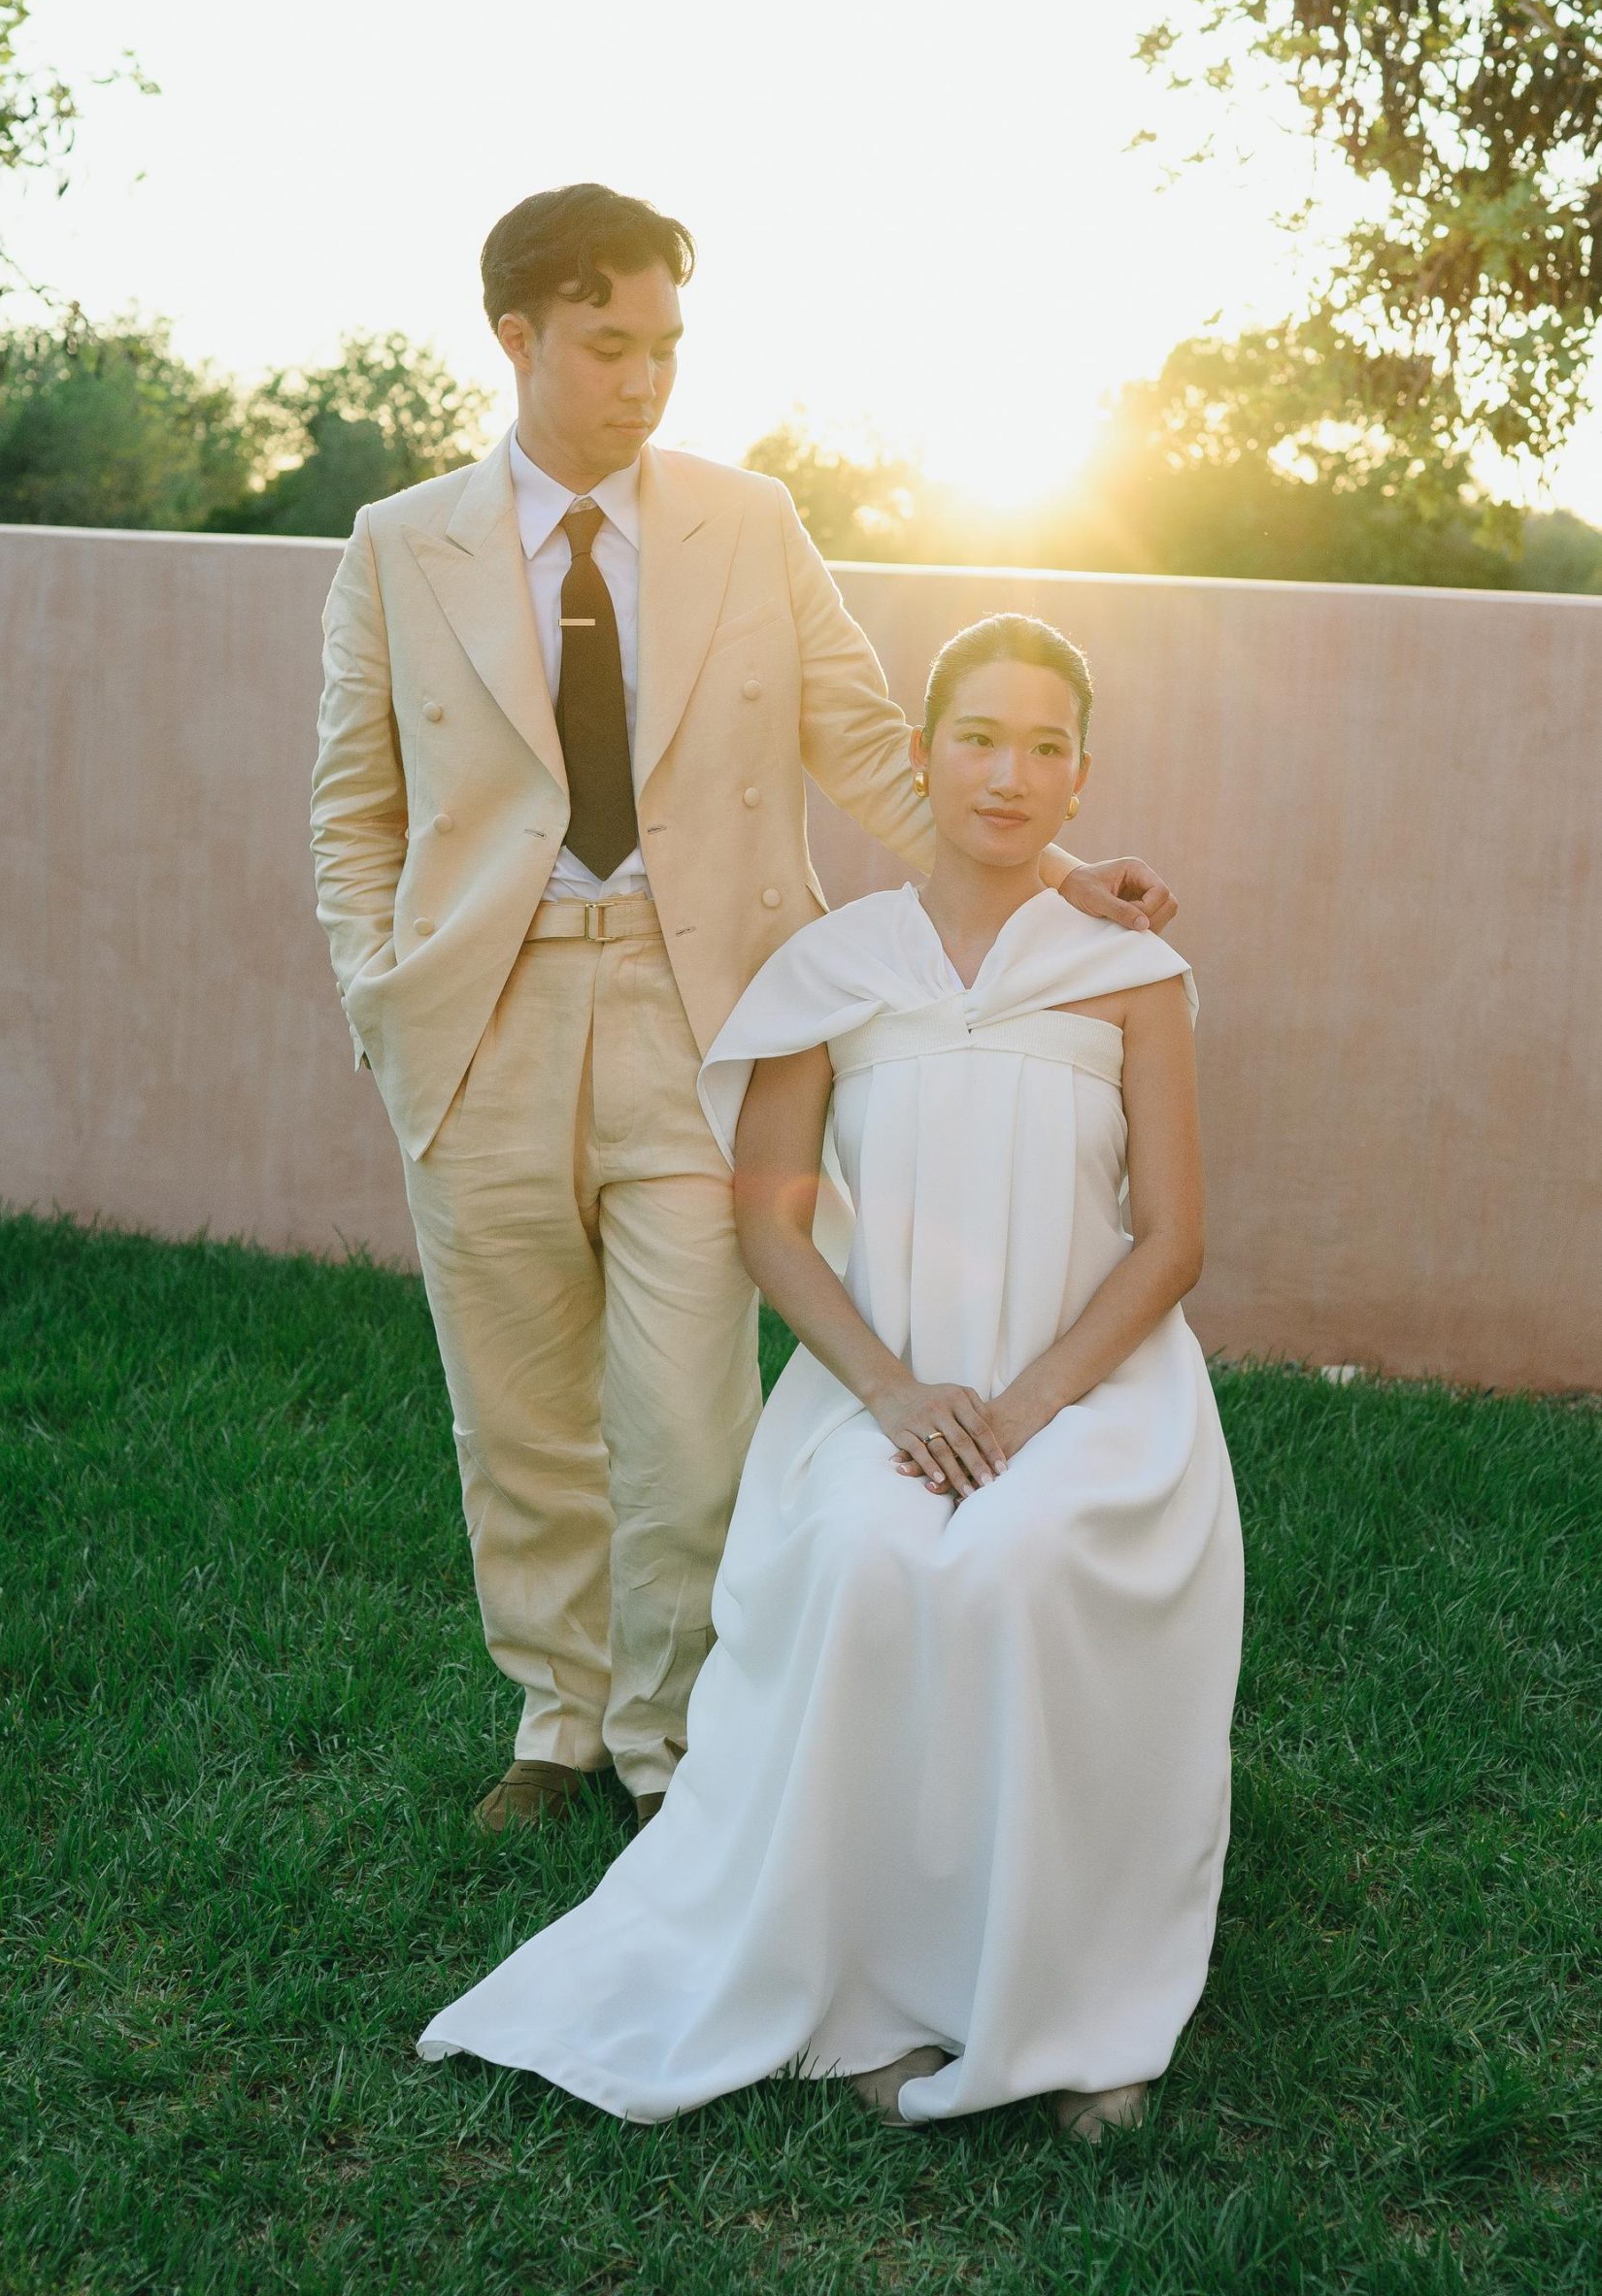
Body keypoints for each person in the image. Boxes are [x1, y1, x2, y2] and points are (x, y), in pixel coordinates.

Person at [312, 183, 1178, 1836]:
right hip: (478, 1018)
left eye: (668, 347)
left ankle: (671, 1739)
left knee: (687, 1411)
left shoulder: (749, 522)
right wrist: (382, 992)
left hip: (702, 1014)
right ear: (519, 336)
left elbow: (867, 740)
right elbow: (354, 810)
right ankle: (555, 1723)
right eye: (608, 344)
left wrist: (1055, 873)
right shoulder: (394, 547)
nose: (646, 380)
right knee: (515, 1413)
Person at [417, 615, 1244, 2135]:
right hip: (884, 1386)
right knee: (867, 1559)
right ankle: (862, 1982)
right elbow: (769, 1216)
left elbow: (1173, 1240)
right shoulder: (835, 966)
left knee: (1018, 1561)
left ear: (1083, 782)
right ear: (922, 757)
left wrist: (1027, 1405)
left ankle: (1072, 2005)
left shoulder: (1135, 972)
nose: (1009, 771)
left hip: (1088, 1392)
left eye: (1046, 746)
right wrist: (896, 1394)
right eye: (978, 736)